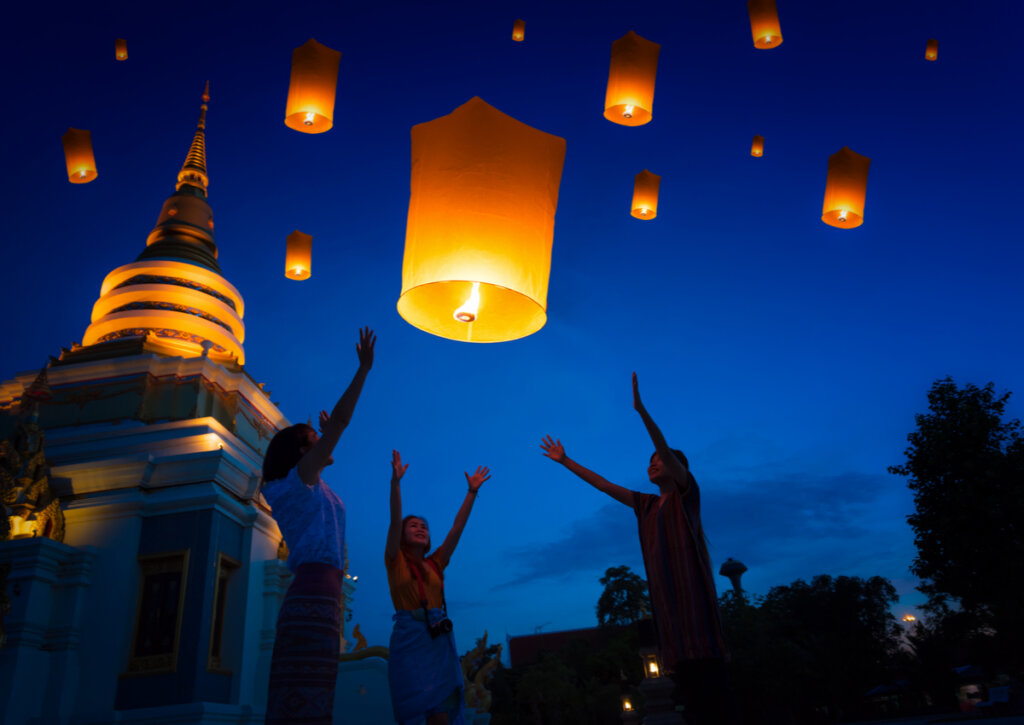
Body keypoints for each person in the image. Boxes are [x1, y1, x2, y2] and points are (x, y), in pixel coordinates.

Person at [540, 373, 737, 725]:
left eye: (659, 460)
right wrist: (565, 460)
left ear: (678, 470)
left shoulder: (686, 497)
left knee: (715, 701)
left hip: (698, 619)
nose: (653, 462)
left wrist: (641, 411)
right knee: (691, 703)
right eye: (649, 460)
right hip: (672, 622)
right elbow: (603, 485)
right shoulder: (645, 505)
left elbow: (665, 451)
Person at [261, 327, 375, 725]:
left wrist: (324, 439)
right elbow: (341, 422)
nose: (323, 442)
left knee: (317, 697)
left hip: (326, 598)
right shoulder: (298, 484)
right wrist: (362, 371)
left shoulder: (314, 486)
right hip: (312, 593)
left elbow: (333, 432)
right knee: (300, 700)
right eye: (315, 439)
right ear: (302, 452)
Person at [385, 449, 490, 725]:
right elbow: (395, 520)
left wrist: (471, 492)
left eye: (424, 526)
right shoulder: (395, 561)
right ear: (403, 535)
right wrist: (396, 483)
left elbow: (456, 529)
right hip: (410, 641)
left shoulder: (436, 563)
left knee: (442, 711)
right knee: (416, 708)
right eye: (413, 526)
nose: (420, 528)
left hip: (437, 642)